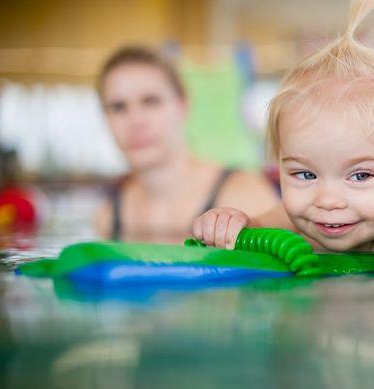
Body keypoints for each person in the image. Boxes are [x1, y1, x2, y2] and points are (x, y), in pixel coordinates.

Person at [192, 0, 374, 280]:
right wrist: (231, 223)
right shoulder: (297, 219)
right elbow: (254, 227)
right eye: (305, 174)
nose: (327, 200)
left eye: (360, 175)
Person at [95, 46, 278, 242]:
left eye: (151, 101)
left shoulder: (245, 198)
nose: (135, 121)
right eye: (118, 107)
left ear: (183, 105)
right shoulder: (107, 218)